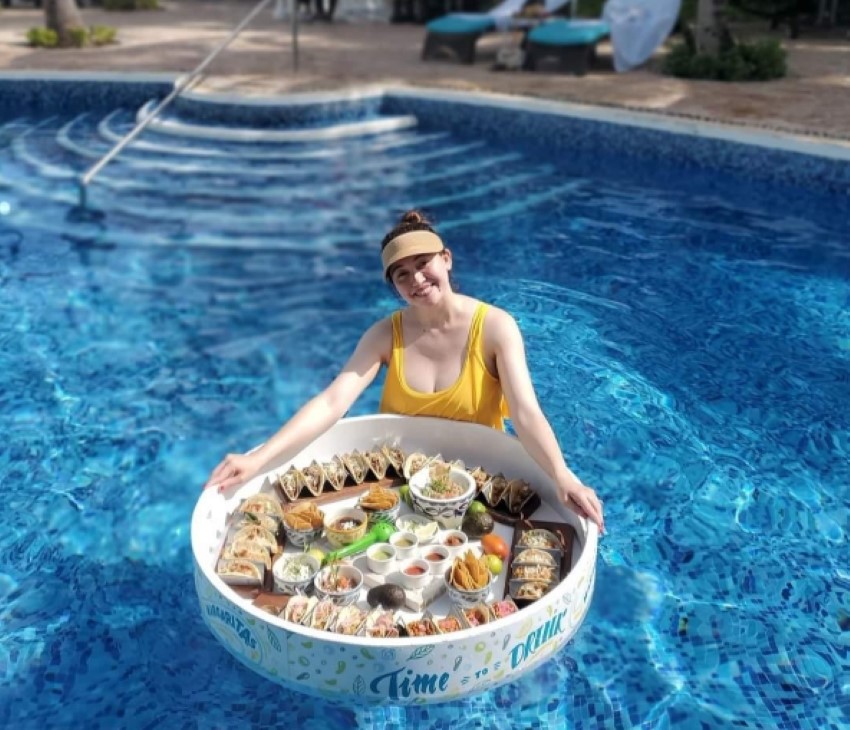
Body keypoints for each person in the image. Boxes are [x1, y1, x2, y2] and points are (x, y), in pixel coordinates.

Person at [204, 211, 605, 533]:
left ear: (445, 259)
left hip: (478, 492)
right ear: (393, 284)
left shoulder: (496, 328)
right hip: (397, 490)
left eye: (423, 263)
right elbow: (332, 401)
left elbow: (525, 412)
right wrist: (259, 459)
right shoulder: (384, 335)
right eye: (401, 274)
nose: (416, 279)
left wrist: (562, 475)